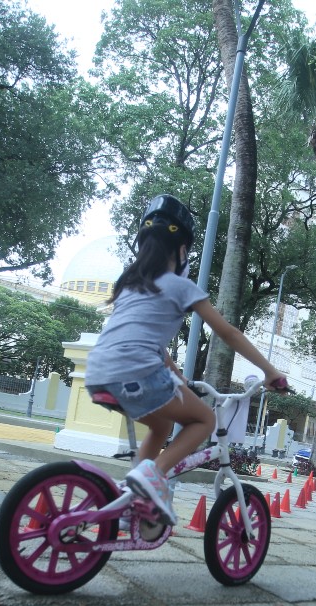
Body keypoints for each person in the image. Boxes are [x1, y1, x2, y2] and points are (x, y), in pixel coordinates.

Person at [84, 194, 289, 525]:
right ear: (181, 250)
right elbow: (229, 334)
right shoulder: (180, 285)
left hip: (99, 372)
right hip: (137, 371)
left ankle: (130, 500)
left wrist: (177, 375)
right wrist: (271, 372)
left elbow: (144, 341)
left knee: (162, 423)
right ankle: (151, 478)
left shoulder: (130, 286)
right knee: (205, 419)